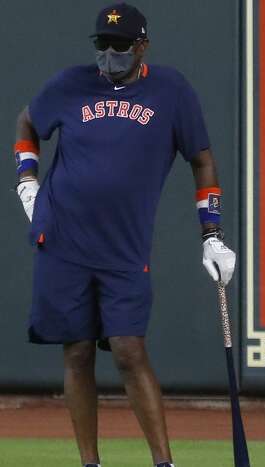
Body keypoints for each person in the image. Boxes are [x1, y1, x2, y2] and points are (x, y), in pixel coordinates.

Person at [13, 3, 236, 467]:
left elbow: (203, 160)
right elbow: (28, 123)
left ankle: (163, 462)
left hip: (123, 247)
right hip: (61, 238)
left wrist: (210, 233)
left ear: (142, 46)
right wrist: (26, 181)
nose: (109, 54)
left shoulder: (171, 90)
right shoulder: (69, 84)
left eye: (119, 46)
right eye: (102, 45)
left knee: (129, 349)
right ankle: (90, 463)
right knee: (75, 353)